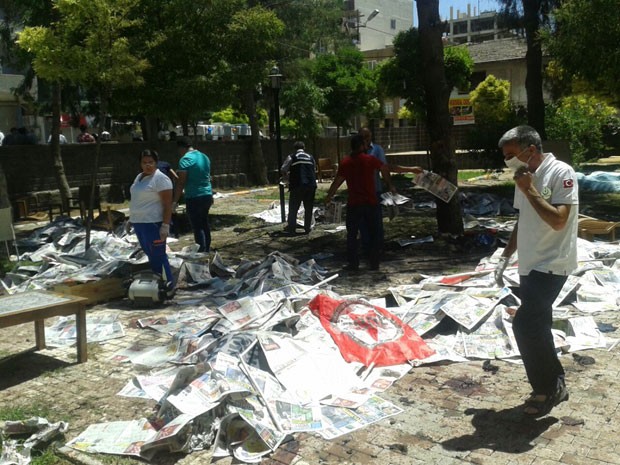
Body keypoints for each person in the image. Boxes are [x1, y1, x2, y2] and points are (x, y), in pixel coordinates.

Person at [494, 125, 578, 417]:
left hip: (553, 263)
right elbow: (524, 220)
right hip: (529, 265)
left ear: (531, 150)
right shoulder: (523, 178)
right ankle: (554, 384)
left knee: (525, 325)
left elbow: (559, 221)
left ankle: (546, 388)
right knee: (538, 325)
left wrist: (530, 190)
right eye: (505, 156)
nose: (509, 162)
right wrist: (505, 256)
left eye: (512, 155)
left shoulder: (561, 173)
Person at [324, 134, 423, 271]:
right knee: (375, 233)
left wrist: (329, 196)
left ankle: (353, 264)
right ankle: (374, 263)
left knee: (352, 235)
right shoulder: (369, 160)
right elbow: (388, 168)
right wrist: (411, 169)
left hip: (354, 204)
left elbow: (337, 182)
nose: (367, 146)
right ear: (361, 146)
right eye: (365, 144)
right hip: (370, 202)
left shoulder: (346, 163)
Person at [127, 149, 174, 293]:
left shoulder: (160, 179)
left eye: (151, 162)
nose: (148, 165)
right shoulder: (139, 177)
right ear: (140, 164)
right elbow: (136, 199)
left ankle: (168, 285)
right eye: (144, 162)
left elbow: (167, 204)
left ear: (156, 163)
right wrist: (131, 219)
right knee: (150, 254)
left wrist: (165, 225)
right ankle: (157, 284)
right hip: (139, 223)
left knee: (158, 255)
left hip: (153, 223)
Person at [172, 136, 213, 252]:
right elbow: (208, 177)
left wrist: (175, 201)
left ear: (181, 148)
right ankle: (207, 249)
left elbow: (181, 182)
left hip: (194, 196)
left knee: (197, 226)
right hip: (207, 194)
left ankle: (201, 251)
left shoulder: (186, 159)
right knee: (204, 223)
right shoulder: (204, 157)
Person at [359, 127, 387, 251]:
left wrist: (389, 184)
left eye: (368, 136)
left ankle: (377, 245)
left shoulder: (377, 150)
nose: (366, 139)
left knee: (376, 220)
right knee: (362, 221)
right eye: (363, 136)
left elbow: (384, 168)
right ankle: (366, 245)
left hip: (374, 190)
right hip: (360, 192)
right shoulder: (356, 153)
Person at [280, 141, 317, 234]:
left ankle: (291, 227)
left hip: (298, 185)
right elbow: (314, 169)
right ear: (304, 148)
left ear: (295, 148)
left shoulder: (292, 156)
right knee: (308, 207)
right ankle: (307, 228)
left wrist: (287, 178)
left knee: (293, 207)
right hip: (311, 185)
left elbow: (283, 169)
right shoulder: (311, 157)